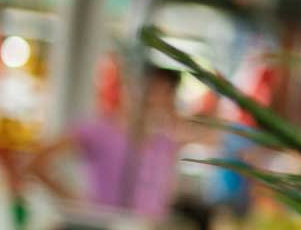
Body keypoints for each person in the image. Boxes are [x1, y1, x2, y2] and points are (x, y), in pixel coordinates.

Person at [27, 63, 186, 220]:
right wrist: (73, 200)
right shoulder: (100, 130)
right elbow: (38, 163)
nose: (155, 98)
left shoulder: (166, 142)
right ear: (132, 87)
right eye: (152, 89)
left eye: (166, 92)